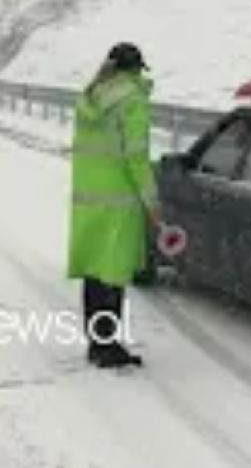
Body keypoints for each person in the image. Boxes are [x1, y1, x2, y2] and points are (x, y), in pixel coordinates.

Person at [67, 42, 159, 368]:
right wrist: (151, 201)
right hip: (119, 201)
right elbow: (136, 157)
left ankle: (98, 343)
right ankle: (108, 348)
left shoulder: (90, 98)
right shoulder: (132, 102)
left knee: (95, 276)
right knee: (113, 276)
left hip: (88, 201)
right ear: (135, 70)